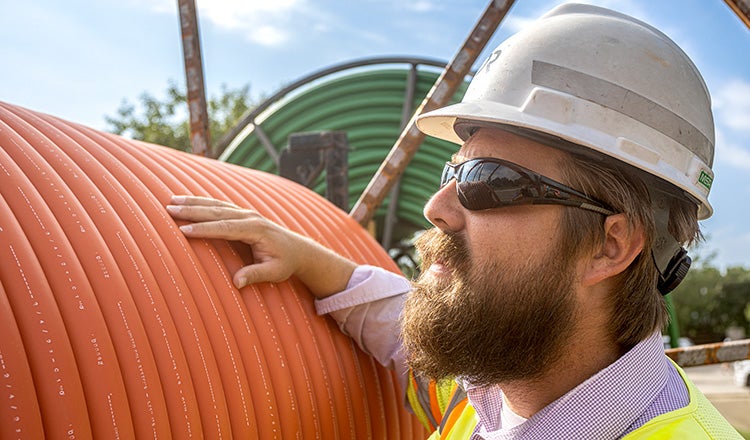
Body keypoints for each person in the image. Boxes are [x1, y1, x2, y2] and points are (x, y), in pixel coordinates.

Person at [167, 4, 742, 439]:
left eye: (489, 182)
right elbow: (400, 322)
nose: (436, 207)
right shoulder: (489, 387)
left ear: (609, 246)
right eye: (452, 170)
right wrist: (312, 258)